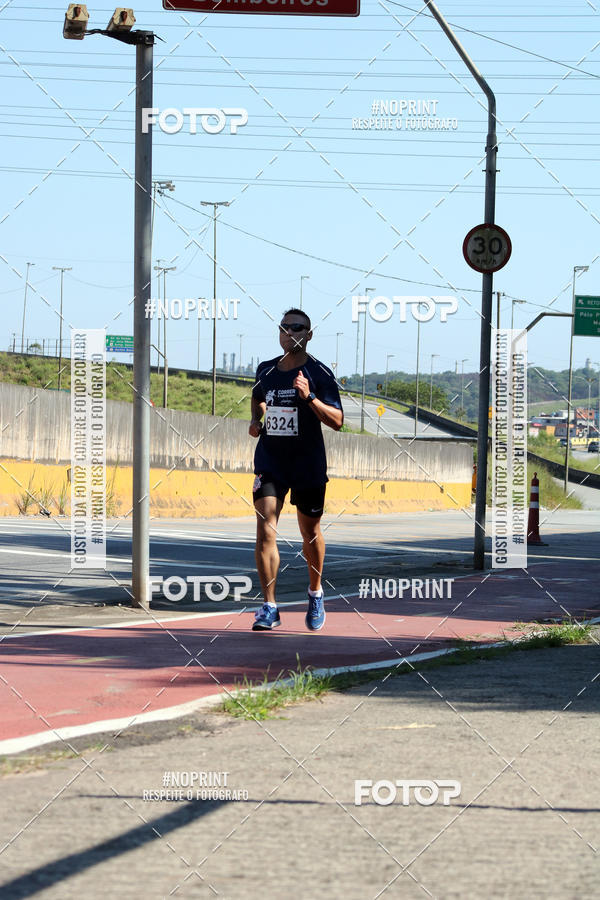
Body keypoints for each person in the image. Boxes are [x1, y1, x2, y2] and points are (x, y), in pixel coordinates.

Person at [248, 308, 344, 632]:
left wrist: (310, 397)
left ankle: (315, 592)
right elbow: (257, 397)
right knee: (265, 528)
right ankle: (269, 607)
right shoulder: (266, 369)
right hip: (271, 462)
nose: (290, 332)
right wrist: (256, 419)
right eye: (284, 327)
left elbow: (338, 421)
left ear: (309, 334)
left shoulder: (319, 372)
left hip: (307, 464)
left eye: (297, 327)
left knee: (310, 533)